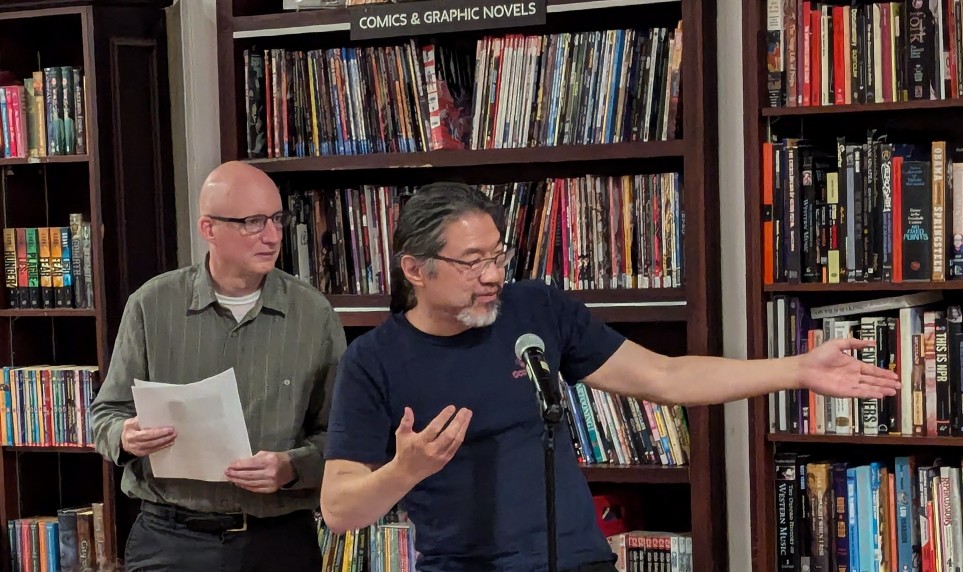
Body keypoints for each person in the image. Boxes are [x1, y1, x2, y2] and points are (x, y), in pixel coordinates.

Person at [318, 182, 899, 572]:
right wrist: (404, 471)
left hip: (580, 559)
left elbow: (665, 377)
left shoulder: (537, 311)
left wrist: (795, 369)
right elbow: (341, 508)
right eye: (472, 262)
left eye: (498, 256)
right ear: (415, 269)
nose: (492, 275)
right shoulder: (374, 360)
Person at [89, 161, 346, 571]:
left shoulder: (314, 315)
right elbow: (105, 414)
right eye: (253, 222)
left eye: (277, 219)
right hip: (170, 541)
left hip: (277, 540)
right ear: (208, 229)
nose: (273, 235)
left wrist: (292, 467)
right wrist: (126, 435)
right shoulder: (152, 305)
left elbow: (340, 434)